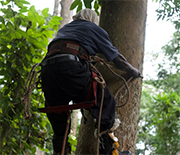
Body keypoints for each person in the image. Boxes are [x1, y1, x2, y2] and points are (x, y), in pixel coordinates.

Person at [40, 8, 140, 155]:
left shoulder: (66, 29)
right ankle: (107, 151)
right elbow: (115, 57)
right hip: (71, 66)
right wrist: (133, 71)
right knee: (105, 102)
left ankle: (60, 150)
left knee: (58, 115)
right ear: (92, 20)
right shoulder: (93, 28)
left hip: (47, 71)